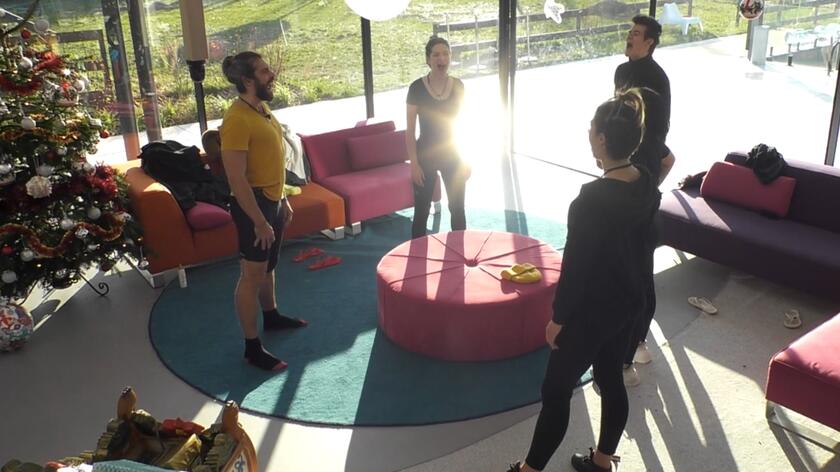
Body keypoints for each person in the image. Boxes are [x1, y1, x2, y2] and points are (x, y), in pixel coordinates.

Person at [507, 89, 661, 472]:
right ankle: (602, 461)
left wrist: (558, 319)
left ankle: (529, 470)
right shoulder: (645, 183)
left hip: (592, 313)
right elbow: (648, 244)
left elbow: (575, 268)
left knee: (556, 389)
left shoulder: (591, 200)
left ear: (603, 139)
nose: (588, 133)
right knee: (610, 377)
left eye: (592, 129)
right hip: (630, 304)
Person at [220, 51, 307, 372]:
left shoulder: (262, 109)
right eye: (264, 71)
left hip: (272, 200)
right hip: (252, 206)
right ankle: (252, 347)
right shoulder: (236, 120)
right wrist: (258, 220)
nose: (272, 74)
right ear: (247, 80)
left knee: (268, 267)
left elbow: (273, 162)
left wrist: (283, 200)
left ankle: (271, 316)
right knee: (251, 275)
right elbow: (236, 178)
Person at [614, 15, 675, 381]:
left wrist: (646, 179)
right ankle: (626, 333)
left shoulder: (657, 79)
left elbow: (657, 133)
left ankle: (637, 339)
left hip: (641, 169)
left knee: (640, 261)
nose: (630, 37)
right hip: (623, 164)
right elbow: (618, 116)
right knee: (623, 258)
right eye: (630, 32)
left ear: (650, 42)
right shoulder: (622, 71)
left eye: (636, 34)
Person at [406, 36, 469, 239]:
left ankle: (460, 253)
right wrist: (414, 165)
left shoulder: (458, 86)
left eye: (445, 54)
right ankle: (417, 255)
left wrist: (466, 159)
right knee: (421, 211)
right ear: (428, 59)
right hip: (425, 155)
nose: (441, 59)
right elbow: (410, 130)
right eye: (436, 55)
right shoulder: (416, 88)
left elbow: (464, 123)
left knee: (457, 209)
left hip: (452, 154)